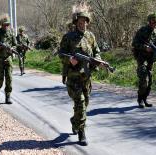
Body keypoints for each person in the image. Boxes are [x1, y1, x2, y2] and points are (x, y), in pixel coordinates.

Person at [59, 3, 103, 146]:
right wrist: (69, 59)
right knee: (81, 104)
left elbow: (96, 51)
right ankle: (82, 133)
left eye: (85, 21)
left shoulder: (91, 36)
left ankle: (74, 121)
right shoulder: (69, 37)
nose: (83, 24)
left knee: (85, 104)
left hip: (86, 78)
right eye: (80, 21)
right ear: (76, 22)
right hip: (73, 77)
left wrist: (98, 60)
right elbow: (61, 53)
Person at [132, 13, 156, 108]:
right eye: (153, 21)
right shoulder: (142, 30)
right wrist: (145, 48)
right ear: (149, 21)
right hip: (141, 59)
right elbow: (134, 43)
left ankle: (145, 99)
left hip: (150, 60)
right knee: (143, 79)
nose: (154, 23)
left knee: (150, 81)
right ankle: (140, 99)